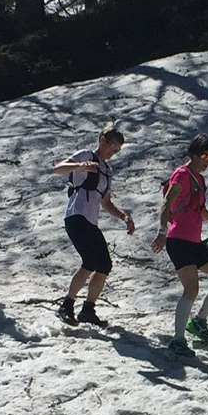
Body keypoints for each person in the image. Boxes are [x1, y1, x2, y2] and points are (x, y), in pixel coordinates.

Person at [151, 133, 208, 356]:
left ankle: (198, 321)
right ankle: (178, 340)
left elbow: (198, 208)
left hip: (194, 242)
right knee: (191, 288)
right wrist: (161, 232)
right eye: (205, 156)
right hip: (178, 241)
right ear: (194, 153)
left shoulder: (199, 179)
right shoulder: (182, 175)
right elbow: (166, 204)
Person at [51, 127, 134, 325]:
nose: (113, 151)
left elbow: (106, 203)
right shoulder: (87, 155)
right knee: (89, 261)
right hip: (76, 216)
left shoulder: (107, 171)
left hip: (91, 221)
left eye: (118, 149)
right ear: (102, 140)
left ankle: (88, 310)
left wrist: (124, 216)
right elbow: (58, 168)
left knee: (104, 264)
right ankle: (66, 305)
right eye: (112, 145)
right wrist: (80, 166)